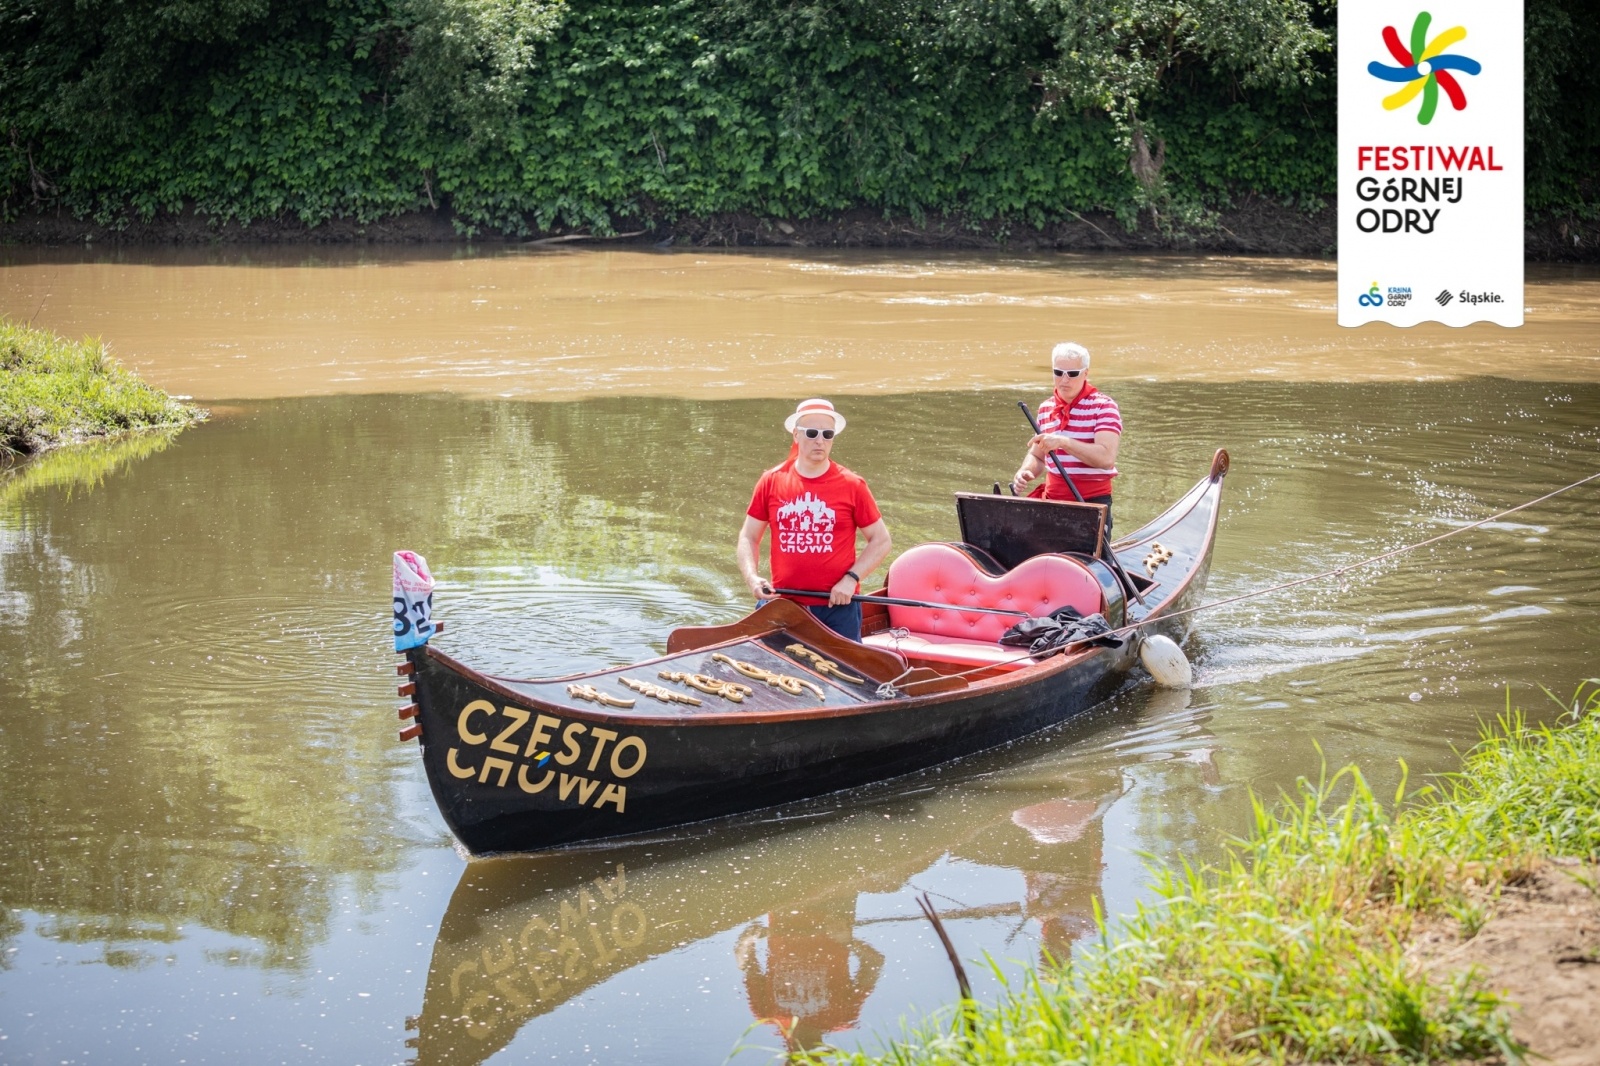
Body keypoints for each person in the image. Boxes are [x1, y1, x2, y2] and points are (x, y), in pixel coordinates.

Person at [737, 399, 892, 642]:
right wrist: (752, 578)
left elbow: (881, 540)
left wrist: (851, 580)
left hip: (837, 607)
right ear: (796, 435)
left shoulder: (853, 485)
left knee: (845, 678)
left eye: (827, 434)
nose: (820, 440)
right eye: (811, 433)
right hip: (782, 604)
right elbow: (749, 536)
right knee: (766, 676)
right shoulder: (771, 480)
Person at [1010, 342, 1122, 537]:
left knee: (1085, 563)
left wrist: (1064, 442)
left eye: (1072, 374)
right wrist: (1025, 471)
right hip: (1051, 502)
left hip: (1090, 503)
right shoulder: (1046, 408)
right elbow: (1038, 456)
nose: (1064, 380)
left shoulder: (1104, 407)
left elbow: (1106, 458)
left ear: (1085, 373)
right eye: (1058, 372)